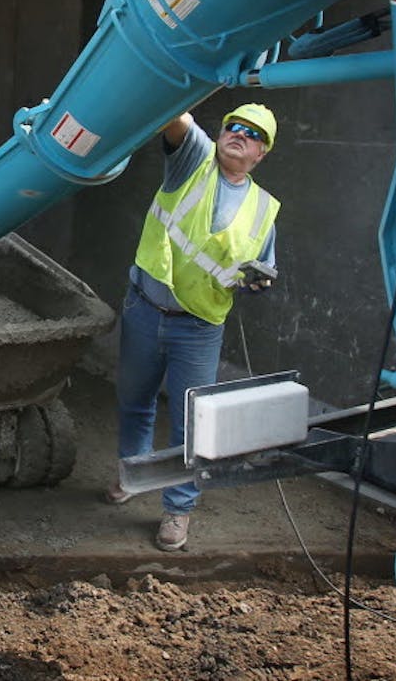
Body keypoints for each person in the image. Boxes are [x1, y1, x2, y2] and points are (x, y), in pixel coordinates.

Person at [107, 104, 280, 551]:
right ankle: (134, 474)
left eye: (252, 134)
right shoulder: (194, 160)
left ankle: (178, 510)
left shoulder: (264, 210)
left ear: (262, 153)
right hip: (146, 308)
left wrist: (257, 282)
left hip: (200, 327)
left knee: (193, 423)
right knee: (135, 402)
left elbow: (262, 269)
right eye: (233, 125)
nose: (239, 134)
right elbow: (173, 113)